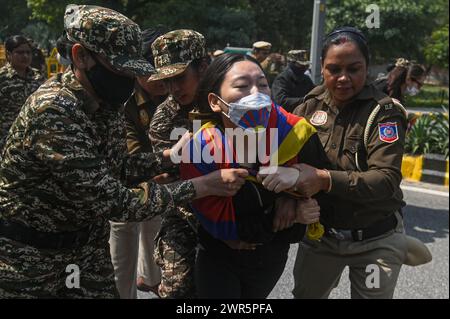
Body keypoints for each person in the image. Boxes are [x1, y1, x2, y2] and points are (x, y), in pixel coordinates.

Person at [0, 4, 247, 298]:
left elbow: (117, 168)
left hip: (85, 251)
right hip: (32, 259)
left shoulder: (104, 103)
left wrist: (167, 157)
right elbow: (113, 200)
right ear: (81, 57)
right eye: (119, 68)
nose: (129, 80)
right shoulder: (54, 111)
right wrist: (200, 186)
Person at [271, 26, 411, 299]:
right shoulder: (308, 107)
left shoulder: (384, 112)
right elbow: (287, 160)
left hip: (375, 240)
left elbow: (385, 179)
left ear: (367, 68)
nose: (343, 78)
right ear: (321, 68)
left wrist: (323, 179)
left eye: (354, 69)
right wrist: (287, 198)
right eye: (334, 69)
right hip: (322, 237)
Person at [180, 53, 329, 299]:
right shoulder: (200, 149)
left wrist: (296, 199)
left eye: (262, 84)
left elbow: (321, 188)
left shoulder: (297, 135)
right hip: (217, 256)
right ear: (215, 102)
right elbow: (213, 219)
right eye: (241, 86)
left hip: (268, 258)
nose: (255, 94)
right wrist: (275, 218)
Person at [148, 29, 211, 298]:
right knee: (176, 290)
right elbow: (169, 179)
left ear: (204, 66)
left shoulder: (231, 102)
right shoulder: (164, 118)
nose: (174, 88)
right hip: (183, 215)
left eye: (180, 78)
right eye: (167, 81)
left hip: (233, 211)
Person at [108, 28, 167, 299]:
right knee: (122, 253)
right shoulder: (121, 97)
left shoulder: (176, 91)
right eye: (150, 70)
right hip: (126, 184)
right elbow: (130, 155)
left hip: (161, 179)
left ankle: (151, 279)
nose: (159, 78)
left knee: (155, 228)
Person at [0, 35, 45, 152]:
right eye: (19, 52)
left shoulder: (38, 77)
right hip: (7, 140)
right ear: (9, 54)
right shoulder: (2, 78)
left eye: (28, 52)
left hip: (34, 139)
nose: (25, 56)